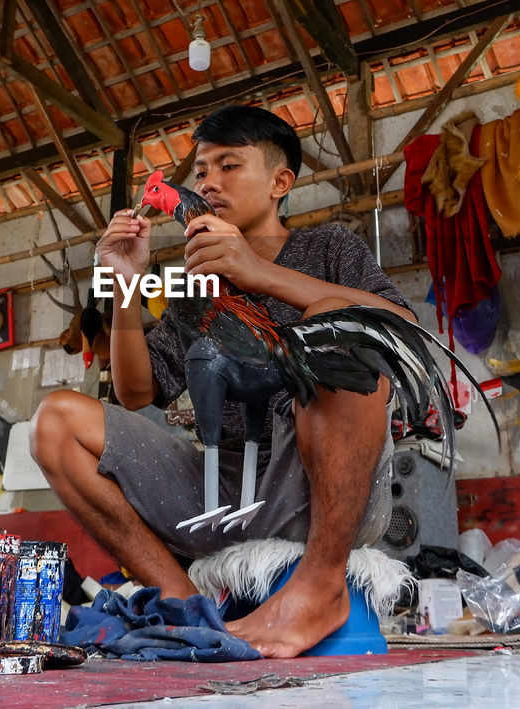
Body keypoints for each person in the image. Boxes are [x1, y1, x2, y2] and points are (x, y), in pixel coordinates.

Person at [30, 105, 414, 658]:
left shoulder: (330, 249)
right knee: (55, 422)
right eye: (203, 170)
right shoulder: (193, 283)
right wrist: (127, 288)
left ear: (281, 182)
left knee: (340, 328)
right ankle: (187, 606)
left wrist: (256, 274)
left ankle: (321, 585)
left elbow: (401, 325)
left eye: (229, 165)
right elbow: (136, 393)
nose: (209, 182)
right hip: (225, 489)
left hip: (319, 487)